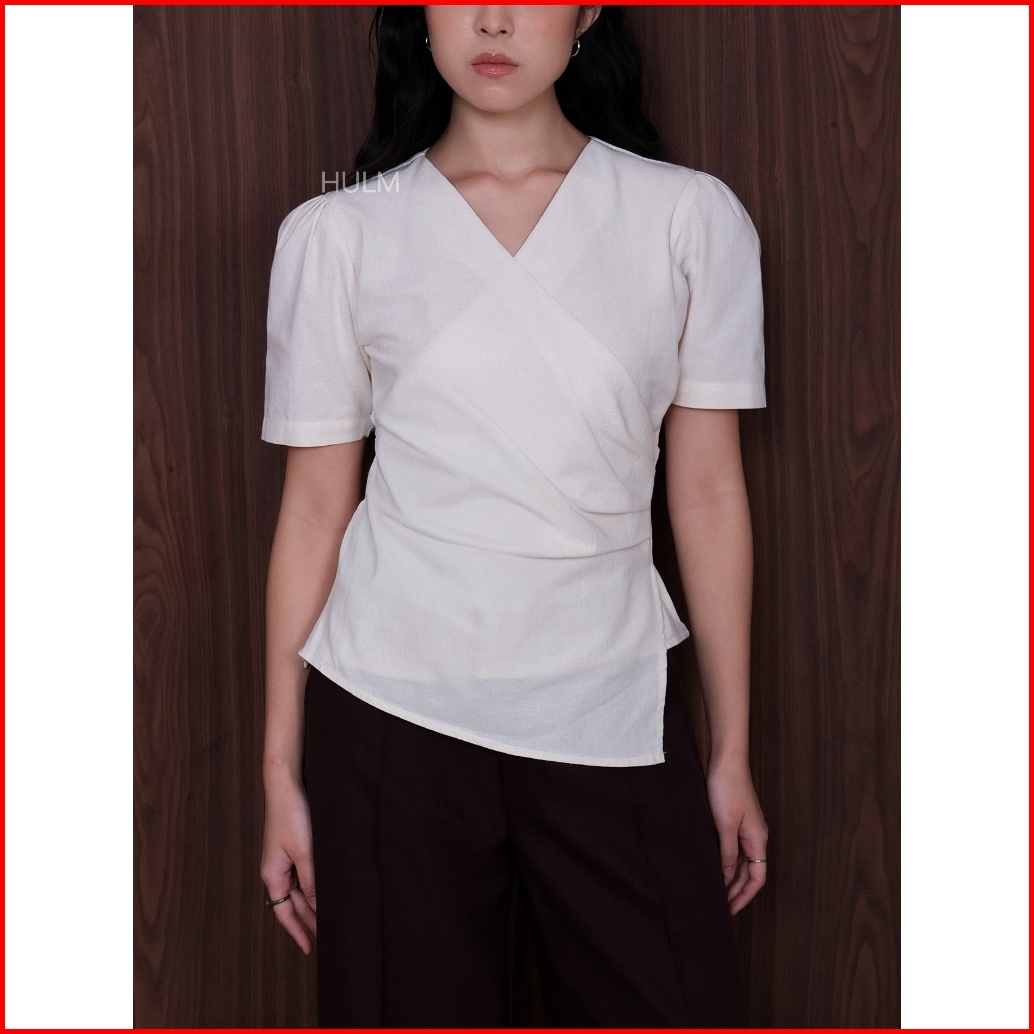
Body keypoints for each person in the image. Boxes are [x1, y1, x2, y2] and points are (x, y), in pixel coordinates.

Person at [259, 4, 769, 1027]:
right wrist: (278, 770)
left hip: (613, 705)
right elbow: (314, 509)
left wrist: (729, 750)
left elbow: (708, 492)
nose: (492, 20)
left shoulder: (688, 217)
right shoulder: (339, 232)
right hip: (390, 710)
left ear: (587, 11)